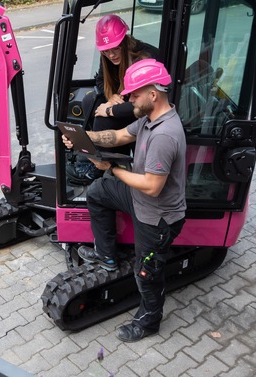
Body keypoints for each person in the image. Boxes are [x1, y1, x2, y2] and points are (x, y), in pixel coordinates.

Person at [62, 58, 186, 343]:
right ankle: (107, 255)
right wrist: (85, 137)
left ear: (153, 94)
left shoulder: (165, 135)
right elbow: (118, 136)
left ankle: (149, 321)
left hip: (157, 219)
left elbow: (152, 186)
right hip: (140, 199)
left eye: (134, 93)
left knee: (146, 273)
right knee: (98, 192)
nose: (129, 98)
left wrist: (114, 169)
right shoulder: (149, 117)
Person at [67, 14, 158, 184]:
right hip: (126, 101)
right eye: (106, 51)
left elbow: (145, 105)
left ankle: (103, 166)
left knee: (102, 117)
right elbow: (100, 80)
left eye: (115, 48)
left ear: (124, 41)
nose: (111, 55)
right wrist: (112, 96)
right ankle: (96, 156)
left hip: (145, 110)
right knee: (89, 101)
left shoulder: (143, 59)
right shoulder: (109, 57)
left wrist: (109, 109)